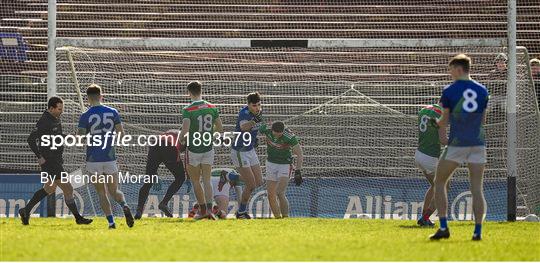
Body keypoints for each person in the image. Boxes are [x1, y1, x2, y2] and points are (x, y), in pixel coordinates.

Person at [430, 54, 489, 241]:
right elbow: (483, 120)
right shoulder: (482, 90)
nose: (450, 73)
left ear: (458, 68)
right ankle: (478, 232)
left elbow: (444, 121)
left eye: (450, 69)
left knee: (439, 182)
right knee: (477, 188)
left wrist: (436, 123)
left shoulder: (449, 91)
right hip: (478, 143)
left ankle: (444, 227)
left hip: (457, 143)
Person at [20, 96, 92, 225]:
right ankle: (78, 218)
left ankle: (26, 210)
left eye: (62, 109)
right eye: (59, 109)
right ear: (51, 108)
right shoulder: (44, 121)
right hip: (50, 161)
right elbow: (30, 139)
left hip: (56, 159)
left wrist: (70, 137)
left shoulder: (55, 119)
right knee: (68, 188)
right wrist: (39, 156)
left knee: (49, 188)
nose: (61, 111)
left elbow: (57, 137)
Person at [77, 84, 134, 229]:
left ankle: (111, 222)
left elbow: (80, 138)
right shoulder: (113, 112)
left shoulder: (85, 115)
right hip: (109, 158)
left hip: (93, 159)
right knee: (114, 191)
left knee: (101, 192)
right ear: (101, 96)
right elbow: (122, 134)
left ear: (88, 98)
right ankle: (124, 205)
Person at [179, 81, 223, 220]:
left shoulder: (188, 109)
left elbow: (185, 130)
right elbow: (220, 128)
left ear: (189, 93)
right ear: (201, 90)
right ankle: (210, 210)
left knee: (196, 181)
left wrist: (180, 140)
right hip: (208, 147)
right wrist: (209, 133)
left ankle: (203, 211)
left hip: (194, 149)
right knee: (207, 179)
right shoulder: (212, 107)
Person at [135, 129, 186, 219]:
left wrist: (155, 174)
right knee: (180, 177)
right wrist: (189, 178)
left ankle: (139, 210)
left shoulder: (172, 132)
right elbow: (186, 157)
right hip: (169, 147)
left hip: (155, 144)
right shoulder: (186, 137)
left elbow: (159, 147)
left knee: (148, 182)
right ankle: (164, 203)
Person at [259, 121, 303, 219]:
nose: (278, 135)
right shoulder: (266, 130)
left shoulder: (290, 137)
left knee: (279, 192)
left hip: (285, 165)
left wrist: (298, 171)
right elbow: (256, 128)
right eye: (276, 133)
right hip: (270, 163)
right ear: (272, 130)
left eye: (280, 133)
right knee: (270, 195)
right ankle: (278, 219)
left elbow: (299, 153)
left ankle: (285, 217)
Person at [231, 92, 264, 219]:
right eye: (254, 105)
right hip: (240, 151)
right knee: (251, 185)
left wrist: (254, 139)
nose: (257, 108)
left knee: (259, 182)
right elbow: (244, 127)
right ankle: (241, 212)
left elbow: (255, 129)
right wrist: (254, 121)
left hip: (250, 150)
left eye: (259, 105)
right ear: (248, 105)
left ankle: (234, 177)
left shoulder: (259, 112)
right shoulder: (244, 113)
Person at [414, 104, 444, 227]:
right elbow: (443, 140)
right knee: (443, 188)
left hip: (419, 154)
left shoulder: (424, 109)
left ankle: (424, 218)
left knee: (434, 186)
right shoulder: (441, 115)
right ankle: (425, 218)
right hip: (429, 157)